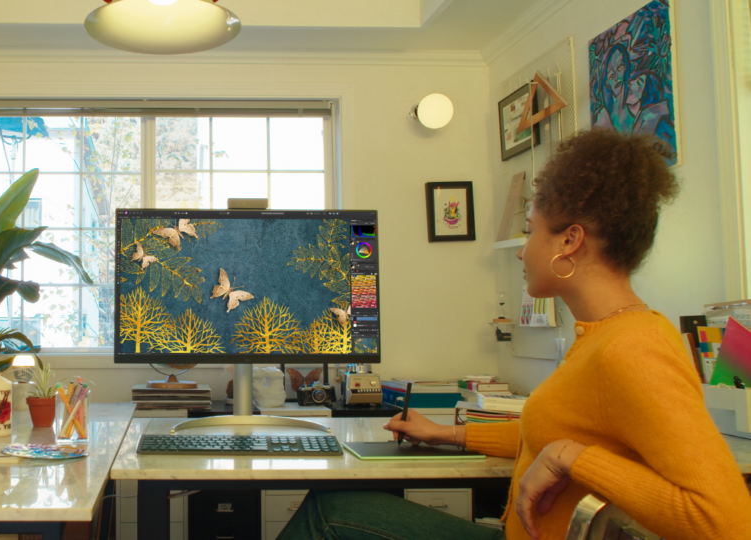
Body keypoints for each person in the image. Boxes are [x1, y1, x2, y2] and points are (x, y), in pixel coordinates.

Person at [277, 130, 751, 540]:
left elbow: (722, 520)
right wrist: (446, 434)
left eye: (530, 233)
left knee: (329, 513)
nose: (522, 253)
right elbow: (545, 433)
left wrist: (571, 457)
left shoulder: (634, 347)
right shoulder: (604, 337)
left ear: (569, 241)